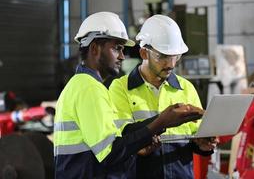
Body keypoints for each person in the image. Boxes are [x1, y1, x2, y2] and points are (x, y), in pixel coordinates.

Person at [53, 11, 204, 179]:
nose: (122, 56)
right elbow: (110, 152)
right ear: (95, 48)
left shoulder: (83, 85)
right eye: (117, 48)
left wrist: (155, 128)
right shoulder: (89, 88)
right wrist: (162, 121)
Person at [109, 14, 217, 179]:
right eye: (163, 56)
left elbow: (196, 135)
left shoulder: (186, 88)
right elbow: (120, 140)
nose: (171, 64)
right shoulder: (121, 88)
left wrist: (204, 145)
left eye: (176, 56)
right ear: (144, 53)